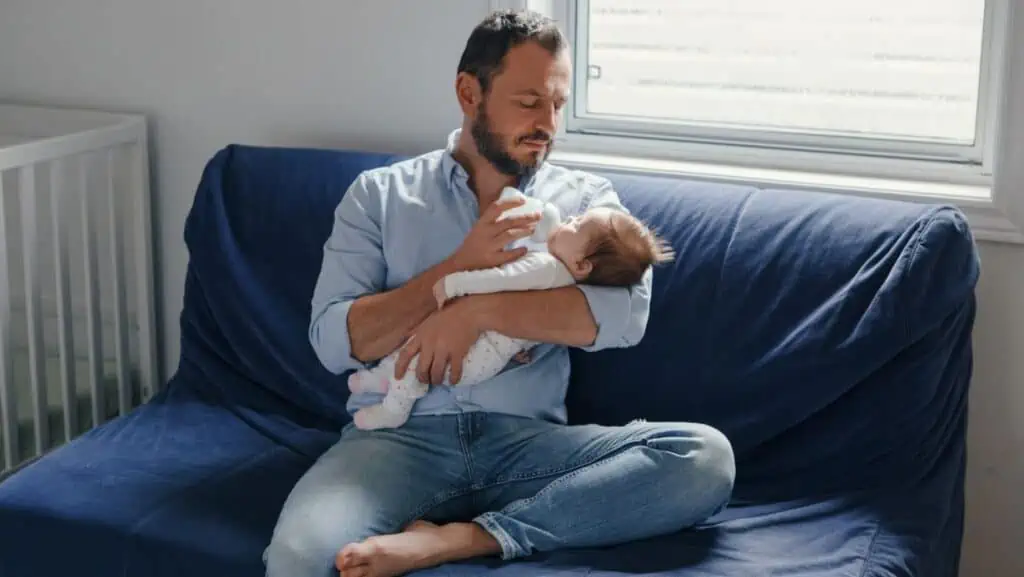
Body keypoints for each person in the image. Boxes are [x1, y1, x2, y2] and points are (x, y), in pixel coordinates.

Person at [263, 9, 735, 577]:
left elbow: (621, 317)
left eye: (558, 104)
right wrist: (459, 267)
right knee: (299, 557)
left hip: (528, 447)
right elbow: (336, 340)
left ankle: (469, 540)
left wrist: (476, 310)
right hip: (399, 441)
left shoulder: (587, 201)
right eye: (529, 101)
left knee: (703, 459)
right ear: (469, 92)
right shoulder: (380, 196)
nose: (548, 123)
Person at [347, 186, 675, 430]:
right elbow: (335, 340)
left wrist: (456, 287)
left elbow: (500, 278)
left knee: (421, 356)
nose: (571, 219)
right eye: (527, 102)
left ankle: (394, 406)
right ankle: (383, 379)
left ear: (581, 264)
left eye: (576, 225)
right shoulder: (563, 274)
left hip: (487, 379)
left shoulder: (545, 266)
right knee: (420, 344)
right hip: (489, 358)